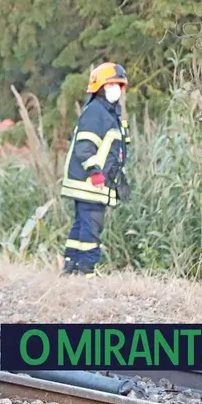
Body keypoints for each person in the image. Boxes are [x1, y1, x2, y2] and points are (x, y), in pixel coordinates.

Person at [59, 62, 133, 277]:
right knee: (92, 225)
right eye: (112, 84)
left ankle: (71, 268)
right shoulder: (96, 112)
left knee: (82, 224)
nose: (116, 89)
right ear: (100, 87)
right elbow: (84, 147)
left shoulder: (110, 114)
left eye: (119, 85)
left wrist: (119, 178)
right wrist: (95, 173)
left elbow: (115, 151)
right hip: (89, 182)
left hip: (92, 183)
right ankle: (86, 271)